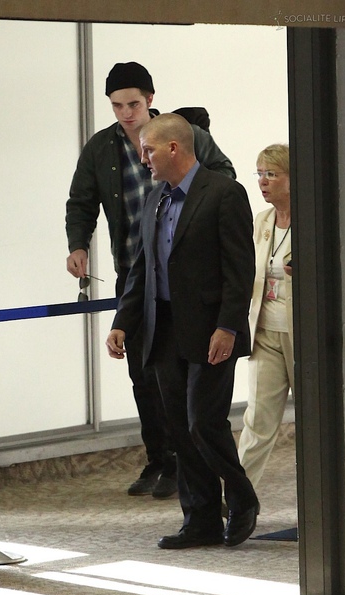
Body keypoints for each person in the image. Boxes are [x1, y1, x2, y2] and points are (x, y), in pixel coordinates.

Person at [65, 61, 237, 499]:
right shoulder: (101, 149)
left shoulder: (186, 136)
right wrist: (78, 244)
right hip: (137, 274)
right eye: (117, 105)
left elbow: (224, 182)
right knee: (147, 377)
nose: (125, 113)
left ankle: (204, 476)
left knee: (193, 393)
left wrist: (188, 211)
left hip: (189, 279)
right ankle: (161, 459)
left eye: (133, 104)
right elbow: (80, 201)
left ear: (150, 100)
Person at [106, 113, 259, 549]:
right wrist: (122, 322)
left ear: (174, 148)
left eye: (148, 149)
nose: (142, 158)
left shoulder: (224, 193)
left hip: (212, 330)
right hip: (164, 329)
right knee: (179, 429)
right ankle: (201, 520)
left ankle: (243, 497)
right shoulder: (155, 199)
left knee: (202, 424)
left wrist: (228, 326)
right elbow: (142, 270)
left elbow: (239, 269)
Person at [238, 143, 293, 489]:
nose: (263, 181)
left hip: (302, 332)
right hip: (263, 332)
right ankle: (237, 499)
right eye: (259, 173)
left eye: (271, 174)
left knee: (316, 421)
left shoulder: (315, 217)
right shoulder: (262, 221)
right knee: (257, 418)